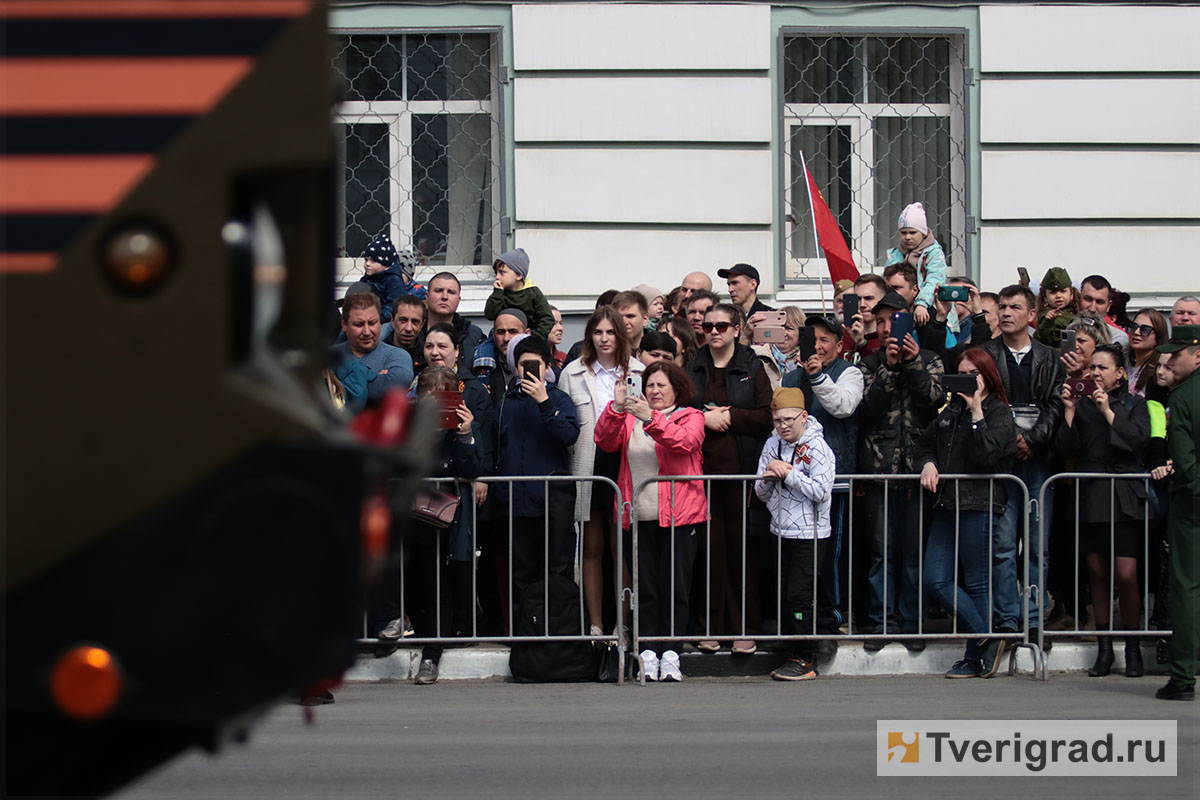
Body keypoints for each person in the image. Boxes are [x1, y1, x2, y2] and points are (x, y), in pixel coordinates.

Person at [594, 361, 706, 682]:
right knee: (646, 589)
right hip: (638, 515)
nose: (654, 391)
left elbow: (684, 442)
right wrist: (617, 408)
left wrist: (651, 418)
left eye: (661, 385)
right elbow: (604, 440)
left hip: (680, 517)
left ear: (676, 388)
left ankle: (671, 652)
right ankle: (646, 652)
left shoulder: (691, 416)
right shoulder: (631, 418)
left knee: (676, 588)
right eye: (650, 385)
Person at [915, 347, 1017, 678]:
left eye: (975, 373)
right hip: (946, 503)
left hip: (981, 503)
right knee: (935, 578)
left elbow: (986, 456)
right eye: (962, 372)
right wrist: (928, 463)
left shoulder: (999, 413)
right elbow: (924, 443)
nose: (969, 379)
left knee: (977, 582)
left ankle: (975, 658)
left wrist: (977, 414)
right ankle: (986, 634)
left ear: (988, 376)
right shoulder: (949, 411)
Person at [857, 291, 945, 650]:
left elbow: (935, 400)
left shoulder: (930, 359)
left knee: (913, 553)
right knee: (881, 553)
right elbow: (866, 409)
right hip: (879, 470)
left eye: (893, 320)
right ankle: (881, 624)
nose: (886, 327)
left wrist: (910, 365)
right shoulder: (866, 363)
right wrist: (889, 368)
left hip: (918, 470)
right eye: (880, 321)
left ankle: (911, 624)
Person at [1057, 344, 1151, 678]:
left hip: (1124, 495)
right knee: (1096, 572)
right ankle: (1104, 649)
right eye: (1092, 367)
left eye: (1102, 368)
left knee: (1126, 575)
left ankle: (1134, 647)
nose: (1095, 373)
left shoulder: (1134, 404)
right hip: (1091, 494)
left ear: (1120, 373)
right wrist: (1069, 411)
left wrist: (1109, 411)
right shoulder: (1082, 406)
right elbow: (1065, 449)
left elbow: (1138, 441)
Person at [686, 303, 773, 654]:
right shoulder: (694, 367)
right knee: (708, 552)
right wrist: (702, 420)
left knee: (742, 551)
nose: (715, 331)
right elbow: (679, 412)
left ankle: (745, 628)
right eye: (709, 326)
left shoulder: (753, 367)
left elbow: (768, 416)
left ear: (736, 328)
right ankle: (709, 626)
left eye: (722, 325)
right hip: (701, 475)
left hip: (742, 474)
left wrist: (730, 417)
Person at [982, 284, 1066, 644]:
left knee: (1036, 545)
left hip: (1036, 462)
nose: (1005, 313)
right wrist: (1008, 439)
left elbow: (1056, 404)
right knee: (1001, 545)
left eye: (1014, 307)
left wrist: (1032, 440)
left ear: (1031, 315)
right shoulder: (986, 354)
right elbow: (984, 402)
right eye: (1001, 306)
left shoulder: (1050, 357)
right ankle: (1006, 620)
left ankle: (1033, 620)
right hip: (1001, 462)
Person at [558, 307, 644, 638]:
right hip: (588, 463)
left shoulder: (638, 370)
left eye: (610, 332)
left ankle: (621, 624)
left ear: (621, 335)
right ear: (589, 336)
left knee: (619, 548)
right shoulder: (573, 372)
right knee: (591, 547)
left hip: (625, 464)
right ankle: (595, 624)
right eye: (598, 332)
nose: (604, 339)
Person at [401, 366, 489, 685]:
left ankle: (431, 654)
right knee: (414, 578)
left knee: (440, 585)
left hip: (446, 519)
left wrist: (465, 434)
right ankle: (403, 623)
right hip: (410, 516)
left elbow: (472, 468)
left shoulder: (460, 431)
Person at [782, 314, 864, 647]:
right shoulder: (790, 376)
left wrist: (816, 375)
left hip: (833, 483)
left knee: (830, 554)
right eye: (811, 339)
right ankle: (802, 621)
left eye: (824, 340)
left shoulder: (850, 373)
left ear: (839, 344)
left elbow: (842, 406)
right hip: (792, 482)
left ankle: (831, 619)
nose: (816, 346)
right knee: (798, 560)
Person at [755, 388, 837, 681]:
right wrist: (768, 476)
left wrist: (788, 474)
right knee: (785, 594)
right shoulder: (771, 444)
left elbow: (821, 491)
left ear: (804, 416)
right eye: (777, 420)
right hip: (779, 529)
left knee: (800, 596)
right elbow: (760, 492)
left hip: (811, 533)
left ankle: (805, 656)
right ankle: (792, 645)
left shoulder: (818, 448)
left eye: (789, 419)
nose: (783, 425)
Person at [492, 336, 580, 602]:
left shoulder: (560, 399)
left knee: (557, 570)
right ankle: (525, 635)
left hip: (552, 502)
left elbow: (568, 435)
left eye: (535, 364)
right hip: (515, 502)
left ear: (547, 366)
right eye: (522, 364)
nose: (527, 370)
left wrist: (544, 402)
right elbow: (497, 444)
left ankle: (556, 634)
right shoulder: (506, 401)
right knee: (521, 573)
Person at [1155, 324, 1200, 700]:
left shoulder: (1183, 398)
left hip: (1192, 504)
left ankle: (1184, 676)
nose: (1168, 360)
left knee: (1187, 587)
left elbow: (1185, 461)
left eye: (1177, 354)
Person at [331, 292, 414, 413]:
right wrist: (372, 376)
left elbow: (394, 387)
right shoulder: (329, 355)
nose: (367, 331)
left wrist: (337, 383)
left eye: (372, 323)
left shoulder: (398, 357)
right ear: (344, 324)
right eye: (359, 324)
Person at [884, 202, 947, 328]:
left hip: (931, 308)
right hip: (902, 310)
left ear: (923, 233)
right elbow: (886, 279)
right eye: (903, 232)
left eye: (912, 232)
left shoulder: (934, 253)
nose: (907, 237)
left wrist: (922, 303)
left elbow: (934, 280)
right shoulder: (896, 254)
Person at [484, 248, 554, 340]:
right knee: (485, 349)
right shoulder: (499, 293)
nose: (497, 277)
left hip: (529, 334)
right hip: (502, 334)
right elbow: (490, 315)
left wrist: (537, 338)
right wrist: (497, 293)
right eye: (496, 273)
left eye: (502, 272)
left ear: (518, 275)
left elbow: (547, 318)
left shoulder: (533, 293)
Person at [360, 232, 426, 322]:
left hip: (386, 320)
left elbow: (394, 306)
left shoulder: (393, 281)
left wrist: (378, 318)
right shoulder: (368, 279)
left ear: (386, 265)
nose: (367, 264)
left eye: (373, 261)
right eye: (366, 260)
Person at [425, 271, 485, 367]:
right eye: (438, 290)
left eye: (451, 292)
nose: (444, 297)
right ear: (427, 296)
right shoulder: (412, 330)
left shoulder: (474, 335)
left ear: (458, 299)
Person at [750, 305, 806, 390]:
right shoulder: (756, 353)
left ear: (801, 333)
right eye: (779, 327)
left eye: (789, 328)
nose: (783, 333)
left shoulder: (806, 360)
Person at [473, 309, 528, 389]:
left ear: (526, 333)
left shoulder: (539, 365)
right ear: (493, 335)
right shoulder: (484, 365)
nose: (506, 338)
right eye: (501, 332)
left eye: (513, 331)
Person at [1079, 274, 1131, 351]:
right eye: (1088, 299)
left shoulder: (1118, 338)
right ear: (1078, 299)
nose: (1092, 308)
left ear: (1108, 306)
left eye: (1099, 302)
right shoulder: (1063, 328)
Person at [1034, 266, 1079, 347]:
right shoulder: (1047, 316)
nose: (1058, 296)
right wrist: (1048, 323)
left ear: (1071, 294)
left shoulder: (1076, 313)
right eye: (1053, 292)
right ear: (1045, 297)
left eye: (1063, 291)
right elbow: (1041, 340)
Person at [1060, 312, 1113, 380]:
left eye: (1081, 341)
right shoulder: (1058, 372)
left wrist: (1077, 378)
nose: (1075, 346)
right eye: (1072, 341)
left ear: (1098, 344)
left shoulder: (1106, 375)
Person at [1129, 309, 1170, 396]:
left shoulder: (1159, 372)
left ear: (1158, 337)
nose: (1136, 332)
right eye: (1134, 326)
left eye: (1145, 329)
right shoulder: (1125, 365)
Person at [846, 273, 887, 359]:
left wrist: (861, 344)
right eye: (858, 299)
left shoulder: (887, 335)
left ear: (883, 299)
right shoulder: (846, 334)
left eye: (868, 298)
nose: (862, 304)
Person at [385, 294, 427, 371]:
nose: (408, 328)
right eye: (403, 320)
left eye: (415, 322)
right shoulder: (378, 355)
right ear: (393, 320)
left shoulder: (428, 357)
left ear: (422, 325)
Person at [548, 306, 569, 371]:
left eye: (561, 323)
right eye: (554, 323)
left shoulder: (564, 358)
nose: (560, 328)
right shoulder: (532, 357)